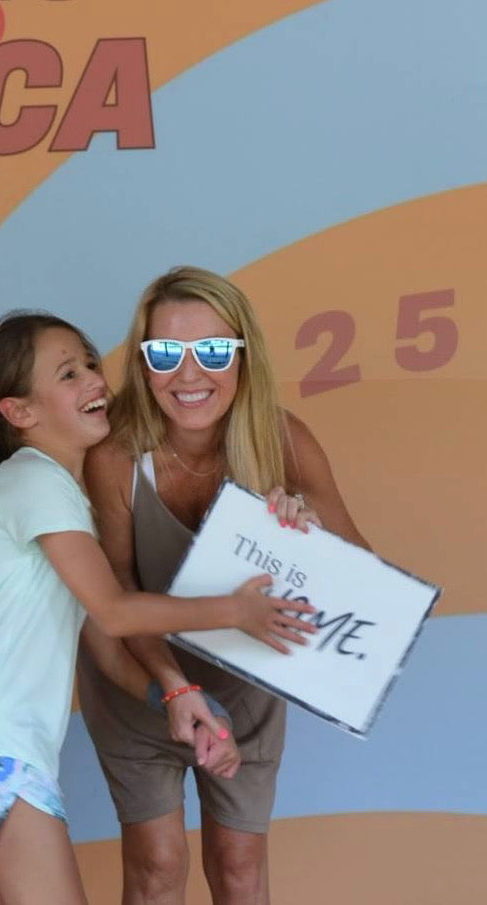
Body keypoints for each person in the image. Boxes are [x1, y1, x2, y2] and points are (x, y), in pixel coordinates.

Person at [0, 311, 317, 905]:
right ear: (20, 412)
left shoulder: (64, 497)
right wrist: (235, 611)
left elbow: (100, 635)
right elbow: (116, 611)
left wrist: (174, 695)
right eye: (68, 374)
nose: (95, 380)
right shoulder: (34, 481)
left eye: (91, 363)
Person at [76, 267, 370, 905]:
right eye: (165, 353)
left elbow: (366, 579)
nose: (189, 374)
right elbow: (115, 592)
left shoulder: (282, 440)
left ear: (243, 355)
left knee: (240, 868)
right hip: (140, 677)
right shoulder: (115, 455)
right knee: (156, 865)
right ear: (143, 362)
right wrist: (173, 687)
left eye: (212, 350)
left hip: (246, 681)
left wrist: (311, 538)